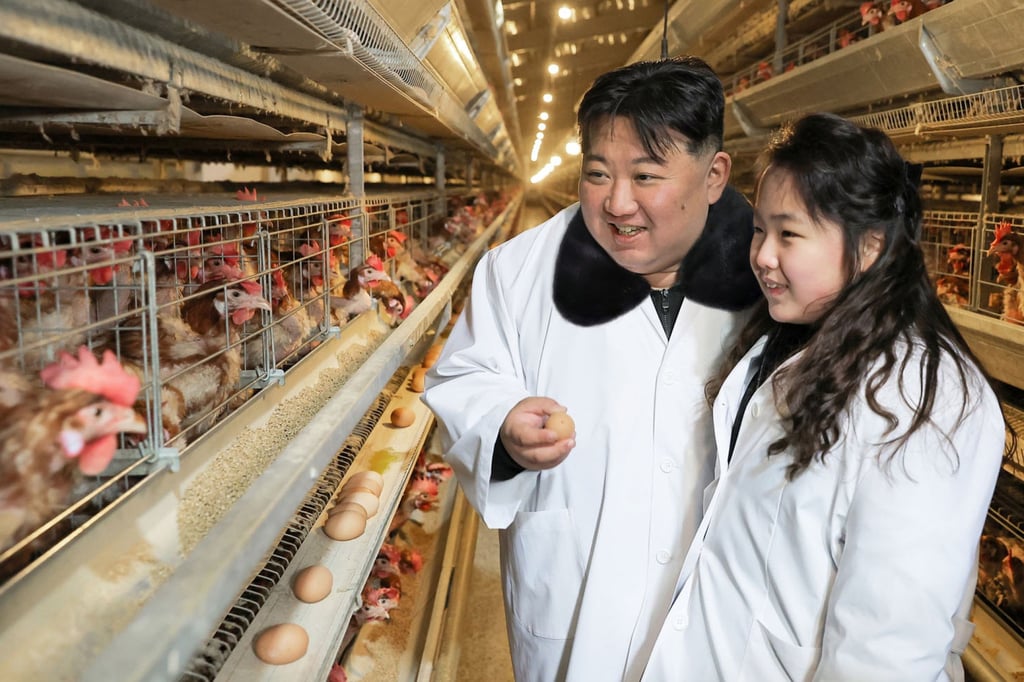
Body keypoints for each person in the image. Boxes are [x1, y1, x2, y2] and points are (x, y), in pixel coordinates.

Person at [422, 57, 762, 681]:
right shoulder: (517, 269)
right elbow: (461, 378)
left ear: (714, 175)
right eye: (598, 174)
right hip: (576, 604)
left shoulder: (767, 278)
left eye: (646, 175)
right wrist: (503, 424)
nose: (617, 202)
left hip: (717, 617)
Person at [643, 112, 1013, 681]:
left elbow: (885, 650)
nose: (762, 255)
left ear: (869, 247)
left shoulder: (923, 399)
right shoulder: (790, 339)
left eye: (788, 234)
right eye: (760, 230)